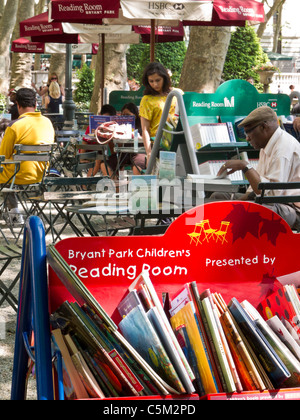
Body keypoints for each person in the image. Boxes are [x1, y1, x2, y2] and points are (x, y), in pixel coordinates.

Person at [209, 106, 300, 230]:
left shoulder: (283, 149)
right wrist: (238, 201)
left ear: (263, 127)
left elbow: (271, 196)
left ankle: (237, 245)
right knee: (218, 198)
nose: (247, 138)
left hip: (291, 210)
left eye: (249, 132)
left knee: (255, 210)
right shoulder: (266, 145)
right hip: (271, 202)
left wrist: (245, 166)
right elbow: (257, 190)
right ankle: (219, 240)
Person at [0, 88, 55, 223]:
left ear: (18, 105)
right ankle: (13, 213)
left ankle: (14, 212)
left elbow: (3, 155)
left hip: (15, 176)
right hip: (40, 175)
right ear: (36, 104)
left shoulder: (14, 126)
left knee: (4, 172)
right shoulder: (48, 123)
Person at [139, 62, 183, 166]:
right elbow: (145, 129)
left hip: (179, 142)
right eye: (151, 81)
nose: (155, 84)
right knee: (164, 179)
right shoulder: (147, 100)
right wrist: (149, 153)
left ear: (165, 78)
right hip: (160, 144)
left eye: (158, 80)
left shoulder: (178, 93)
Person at [103, 103, 146, 177]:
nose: (125, 117)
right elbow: (116, 148)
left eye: (128, 115)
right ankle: (116, 186)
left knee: (138, 167)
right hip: (124, 153)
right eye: (123, 115)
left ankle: (138, 187)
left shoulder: (142, 124)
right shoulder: (119, 126)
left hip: (138, 152)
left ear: (135, 115)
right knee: (104, 165)